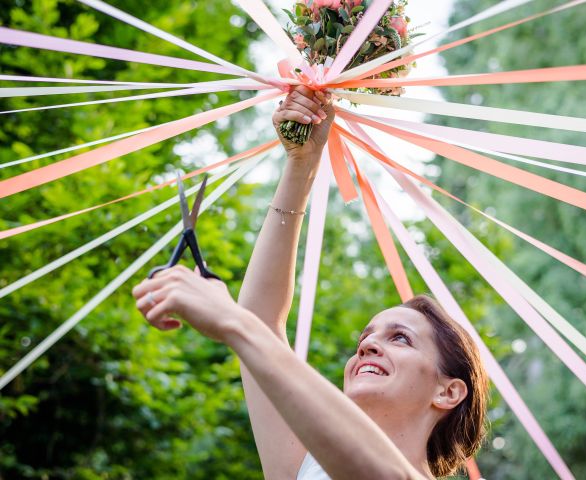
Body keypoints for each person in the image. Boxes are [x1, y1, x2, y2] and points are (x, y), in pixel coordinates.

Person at [132, 86, 489, 480]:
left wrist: (232, 322)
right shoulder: (303, 470)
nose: (367, 344)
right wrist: (302, 163)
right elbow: (260, 319)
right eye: (365, 339)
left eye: (400, 338)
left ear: (448, 392)